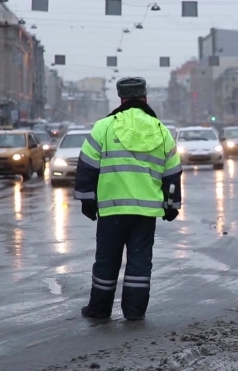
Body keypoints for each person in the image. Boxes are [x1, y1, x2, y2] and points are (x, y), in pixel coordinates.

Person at [74, 76, 182, 321]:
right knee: (140, 262)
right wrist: (172, 205)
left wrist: (87, 199)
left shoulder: (104, 127)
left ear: (121, 98)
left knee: (107, 260)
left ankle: (99, 310)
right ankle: (134, 312)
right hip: (146, 213)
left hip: (112, 210)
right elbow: (172, 173)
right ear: (145, 98)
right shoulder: (161, 131)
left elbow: (87, 166)